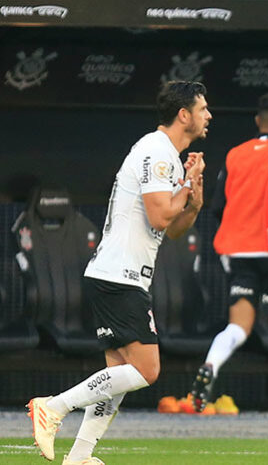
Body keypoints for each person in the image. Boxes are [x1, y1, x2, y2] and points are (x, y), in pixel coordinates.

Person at [27, 80, 211, 464]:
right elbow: (162, 212)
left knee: (117, 377)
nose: (208, 116)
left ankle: (79, 457)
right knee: (147, 370)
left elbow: (172, 229)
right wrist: (183, 191)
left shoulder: (167, 157)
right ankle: (53, 407)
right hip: (119, 276)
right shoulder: (157, 151)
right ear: (184, 115)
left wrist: (193, 197)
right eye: (203, 109)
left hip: (122, 275)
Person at [189, 92, 268, 424]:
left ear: (258, 122)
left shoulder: (235, 155)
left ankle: (211, 364)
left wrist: (238, 230)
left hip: (237, 249)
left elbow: (217, 206)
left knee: (238, 325)